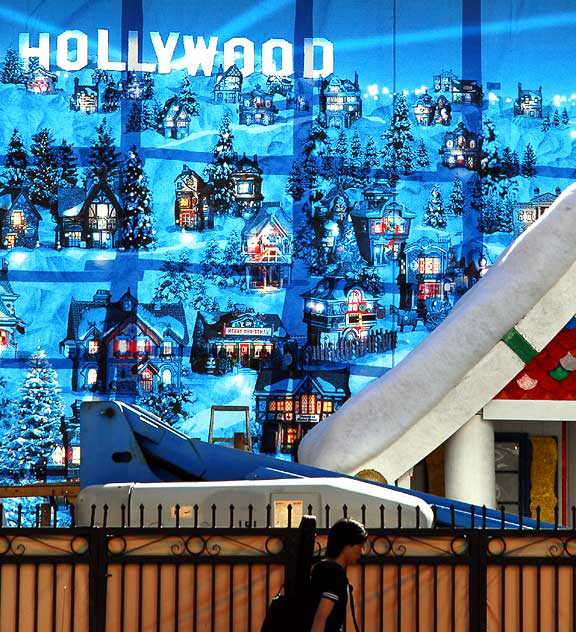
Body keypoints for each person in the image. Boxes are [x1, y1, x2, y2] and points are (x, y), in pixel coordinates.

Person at [307, 518, 368, 632]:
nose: (362, 552)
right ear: (346, 545)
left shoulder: (321, 568)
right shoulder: (334, 574)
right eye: (359, 546)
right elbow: (321, 617)